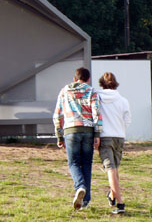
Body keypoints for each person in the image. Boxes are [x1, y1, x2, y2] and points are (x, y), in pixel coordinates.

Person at [53, 67, 102, 211]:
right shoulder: (92, 91)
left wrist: (59, 135)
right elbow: (97, 113)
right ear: (88, 79)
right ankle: (85, 201)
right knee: (87, 164)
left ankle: (80, 186)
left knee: (74, 163)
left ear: (75, 78)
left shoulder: (64, 91)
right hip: (88, 131)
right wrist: (97, 134)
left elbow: (57, 115)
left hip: (71, 130)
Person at [97, 72, 131, 215]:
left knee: (110, 169)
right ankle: (112, 195)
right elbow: (128, 120)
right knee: (115, 169)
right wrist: (120, 129)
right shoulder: (123, 100)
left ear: (101, 83)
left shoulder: (97, 98)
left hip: (105, 137)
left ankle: (120, 203)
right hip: (119, 136)